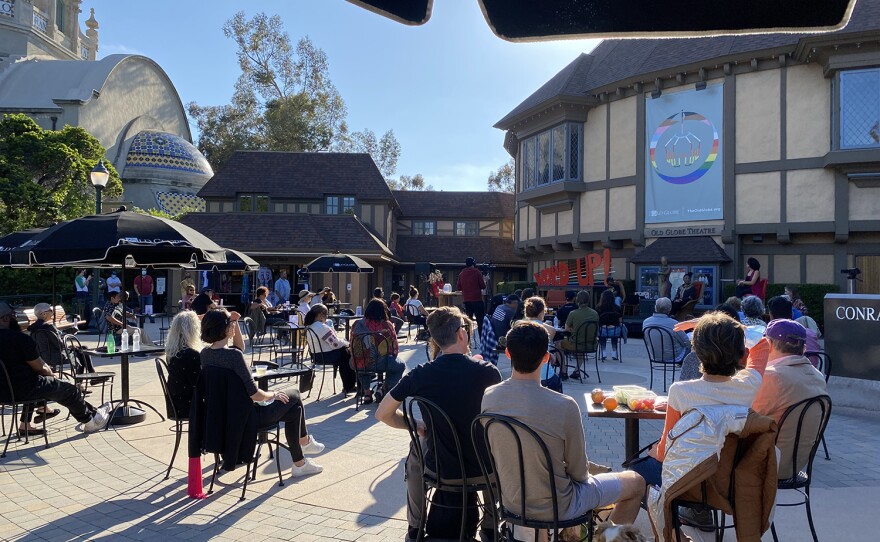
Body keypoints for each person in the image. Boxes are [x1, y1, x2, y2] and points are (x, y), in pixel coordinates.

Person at [481, 322, 645, 534]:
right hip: (559, 505)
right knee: (636, 481)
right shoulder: (565, 405)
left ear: (508, 354)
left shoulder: (490, 396)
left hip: (511, 502)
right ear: (546, 358)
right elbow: (580, 473)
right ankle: (605, 537)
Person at [375, 306, 502, 542]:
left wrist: (415, 424)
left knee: (415, 452)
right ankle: (490, 525)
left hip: (440, 469)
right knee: (491, 443)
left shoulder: (421, 374)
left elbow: (383, 413)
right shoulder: (488, 373)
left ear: (435, 339)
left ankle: (416, 526)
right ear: (461, 334)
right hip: (483, 470)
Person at [628, 312, 769, 489]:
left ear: (697, 351)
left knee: (633, 473)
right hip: (726, 480)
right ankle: (693, 513)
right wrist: (722, 327)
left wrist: (655, 451)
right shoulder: (749, 384)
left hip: (686, 478)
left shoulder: (680, 391)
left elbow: (665, 450)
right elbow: (762, 342)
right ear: (740, 351)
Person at [199, 308, 326, 477]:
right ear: (225, 329)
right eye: (231, 323)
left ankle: (300, 463)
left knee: (295, 412)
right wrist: (273, 394)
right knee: (294, 393)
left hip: (224, 418)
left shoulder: (205, 355)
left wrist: (233, 323)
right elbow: (255, 395)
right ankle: (304, 441)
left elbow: (239, 347)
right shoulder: (234, 357)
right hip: (248, 418)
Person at [0, 301, 110, 435]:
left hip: (4, 393)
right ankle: (90, 421)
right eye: (13, 315)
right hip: (25, 389)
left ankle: (95, 413)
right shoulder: (20, 339)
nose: (16, 318)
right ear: (5, 318)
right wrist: (52, 376)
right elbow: (41, 368)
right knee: (69, 389)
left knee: (50, 386)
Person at [751, 319, 827, 477]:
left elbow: (745, 419)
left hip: (769, 464)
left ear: (769, 344)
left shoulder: (772, 376)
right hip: (797, 464)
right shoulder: (818, 376)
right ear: (803, 347)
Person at [349, 299, 406, 404]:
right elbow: (394, 348)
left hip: (359, 363)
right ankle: (384, 390)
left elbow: (352, 344)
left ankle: (366, 393)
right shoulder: (387, 325)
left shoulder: (357, 324)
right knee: (400, 366)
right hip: (382, 363)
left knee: (361, 363)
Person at [304, 304, 357, 394]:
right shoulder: (321, 327)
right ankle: (350, 385)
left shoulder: (310, 326)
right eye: (326, 314)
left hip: (316, 355)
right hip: (326, 356)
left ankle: (348, 385)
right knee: (347, 354)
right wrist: (348, 344)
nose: (327, 317)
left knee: (346, 352)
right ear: (321, 315)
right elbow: (335, 344)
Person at [164, 311, 203, 417]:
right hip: (187, 405)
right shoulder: (191, 355)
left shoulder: (172, 351)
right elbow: (197, 384)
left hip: (175, 403)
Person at [560, 290, 599, 379]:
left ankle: (563, 370)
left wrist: (574, 330)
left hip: (577, 344)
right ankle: (576, 371)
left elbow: (566, 328)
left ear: (577, 300)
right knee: (580, 344)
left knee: (558, 345)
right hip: (591, 345)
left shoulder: (573, 313)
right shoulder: (595, 313)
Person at [642, 297, 690, 363]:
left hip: (654, 357)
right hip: (674, 357)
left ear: (655, 307)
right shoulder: (674, 323)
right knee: (693, 342)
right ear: (670, 309)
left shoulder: (646, 322)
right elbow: (686, 343)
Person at [457, 257, 487, 334]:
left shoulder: (461, 273)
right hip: (477, 300)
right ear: (474, 264)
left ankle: (468, 341)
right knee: (480, 322)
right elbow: (483, 286)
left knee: (468, 322)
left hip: (467, 301)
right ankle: (481, 340)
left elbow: (459, 287)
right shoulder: (477, 272)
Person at [596, 289, 623, 361]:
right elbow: (620, 321)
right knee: (616, 330)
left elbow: (597, 320)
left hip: (603, 331)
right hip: (615, 331)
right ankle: (614, 352)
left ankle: (603, 351)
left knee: (602, 333)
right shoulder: (617, 308)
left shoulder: (599, 308)